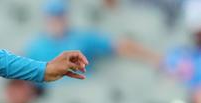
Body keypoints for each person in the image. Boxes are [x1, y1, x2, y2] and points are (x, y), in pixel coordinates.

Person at [26, 0, 160, 70]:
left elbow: (119, 46)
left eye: (59, 15)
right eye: (52, 16)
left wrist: (154, 58)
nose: (56, 21)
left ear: (66, 16)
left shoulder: (82, 38)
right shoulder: (35, 47)